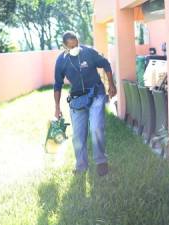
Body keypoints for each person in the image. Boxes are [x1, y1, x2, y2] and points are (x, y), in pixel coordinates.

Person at [53, 31, 117, 176]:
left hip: (96, 94)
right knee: (78, 135)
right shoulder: (61, 61)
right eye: (71, 46)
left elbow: (106, 64)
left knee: (96, 128)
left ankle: (101, 162)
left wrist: (111, 85)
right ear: (64, 46)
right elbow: (57, 85)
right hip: (77, 100)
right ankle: (81, 166)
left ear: (78, 41)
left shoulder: (88, 52)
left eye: (76, 44)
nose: (75, 48)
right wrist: (57, 108)